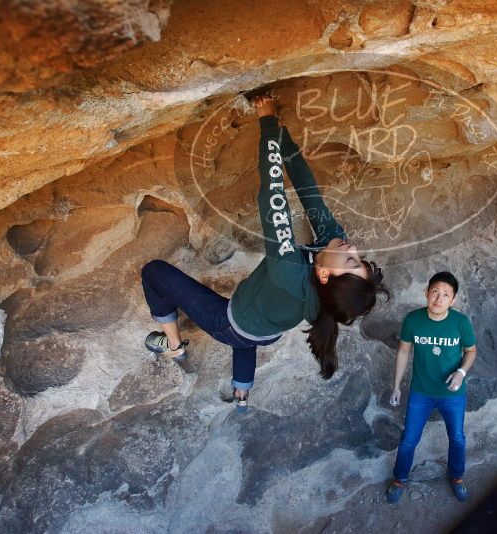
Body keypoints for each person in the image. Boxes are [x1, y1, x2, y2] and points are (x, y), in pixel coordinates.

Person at [140, 93, 389, 410]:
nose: (352, 248)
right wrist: (283, 137)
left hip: (231, 322)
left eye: (351, 261)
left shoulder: (290, 269)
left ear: (325, 275)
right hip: (265, 330)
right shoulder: (331, 245)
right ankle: (242, 393)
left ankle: (174, 346)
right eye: (360, 259)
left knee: (155, 273)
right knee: (248, 343)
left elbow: (273, 197)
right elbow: (308, 190)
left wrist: (267, 120)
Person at [385, 271, 477, 503]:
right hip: (421, 392)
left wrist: (461, 372)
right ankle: (399, 479)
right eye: (435, 292)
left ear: (453, 300)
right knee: (408, 438)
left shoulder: (461, 323)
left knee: (457, 437)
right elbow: (404, 351)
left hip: (452, 393)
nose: (439, 298)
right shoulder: (413, 320)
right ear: (426, 293)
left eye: (446, 294)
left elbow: (471, 351)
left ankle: (456, 476)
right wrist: (396, 386)